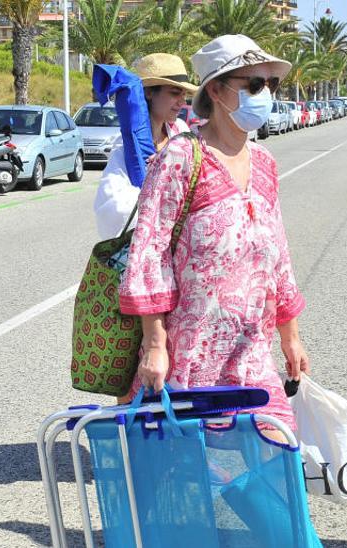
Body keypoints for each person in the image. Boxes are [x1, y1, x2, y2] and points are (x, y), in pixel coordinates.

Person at [118, 35, 309, 435]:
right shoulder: (180, 157)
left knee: (276, 468)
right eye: (253, 85)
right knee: (199, 486)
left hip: (252, 357)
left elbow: (278, 255)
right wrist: (154, 346)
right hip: (190, 361)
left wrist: (290, 338)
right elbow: (149, 252)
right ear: (217, 91)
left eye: (270, 85)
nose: (266, 94)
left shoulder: (264, 162)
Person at [93, 53, 196, 239]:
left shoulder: (181, 132)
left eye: (184, 94)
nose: (182, 102)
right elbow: (112, 206)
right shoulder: (126, 148)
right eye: (174, 93)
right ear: (148, 92)